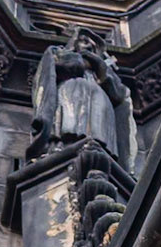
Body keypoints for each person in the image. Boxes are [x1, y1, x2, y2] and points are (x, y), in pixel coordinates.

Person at [28, 25, 137, 171]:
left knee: (98, 133)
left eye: (93, 45)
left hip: (99, 100)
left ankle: (101, 154)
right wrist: (82, 60)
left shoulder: (103, 69)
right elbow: (60, 65)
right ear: (75, 42)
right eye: (84, 41)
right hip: (72, 93)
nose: (89, 46)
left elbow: (118, 94)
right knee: (70, 126)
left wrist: (100, 65)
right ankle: (61, 147)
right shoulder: (59, 52)